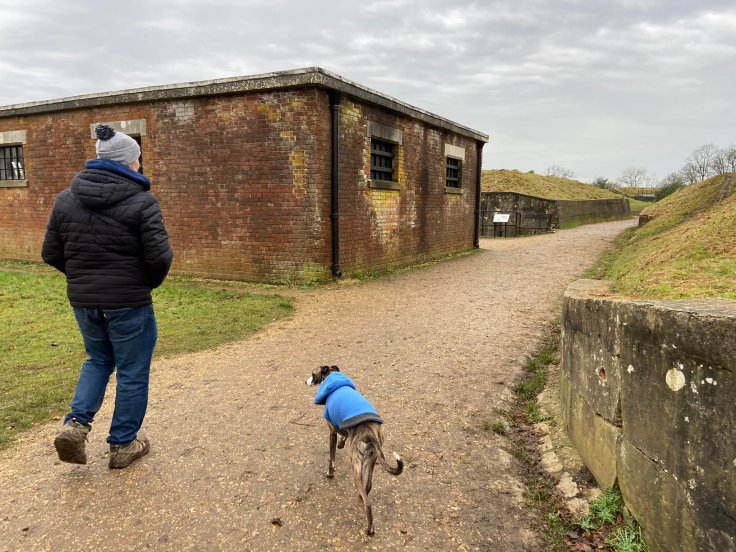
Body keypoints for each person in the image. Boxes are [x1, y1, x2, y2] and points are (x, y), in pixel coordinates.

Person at [42, 124, 173, 469]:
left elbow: (51, 253)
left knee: (97, 360)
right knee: (132, 371)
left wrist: (84, 279)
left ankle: (76, 424)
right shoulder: (143, 201)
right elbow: (160, 257)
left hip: (85, 302)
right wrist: (143, 284)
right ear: (129, 162)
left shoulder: (65, 199)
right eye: (138, 160)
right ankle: (123, 444)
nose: (140, 166)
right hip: (129, 303)